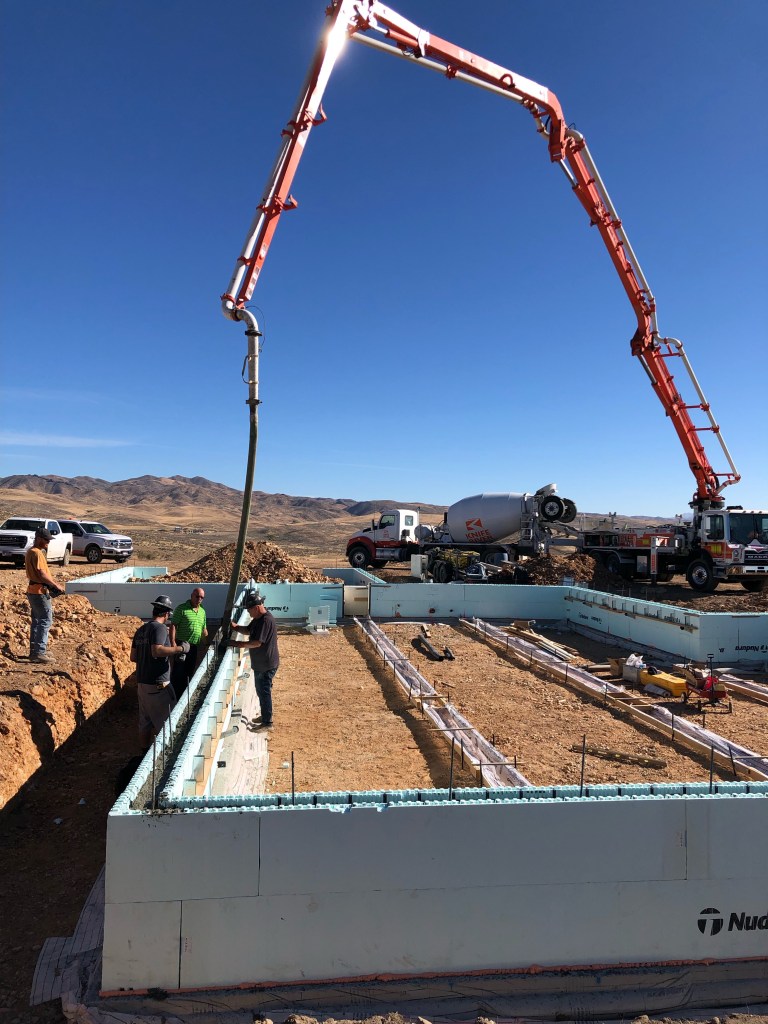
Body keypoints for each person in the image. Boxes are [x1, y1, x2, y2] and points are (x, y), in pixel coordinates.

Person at [130, 595, 190, 749]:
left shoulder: (141, 630)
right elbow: (157, 651)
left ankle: (144, 753)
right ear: (167, 614)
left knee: (145, 722)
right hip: (158, 686)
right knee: (169, 722)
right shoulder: (160, 628)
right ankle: (166, 753)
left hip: (142, 685)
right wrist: (180, 649)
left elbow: (133, 657)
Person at [229, 594, 279, 729]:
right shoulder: (258, 618)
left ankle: (267, 723)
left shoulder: (265, 621)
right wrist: (235, 627)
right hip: (262, 664)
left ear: (256, 608)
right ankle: (265, 715)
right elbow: (247, 630)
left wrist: (237, 644)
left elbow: (257, 643)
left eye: (249, 610)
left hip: (266, 665)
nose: (248, 613)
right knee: (261, 691)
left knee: (264, 691)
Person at [24, 528, 63, 663]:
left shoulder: (30, 551)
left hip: (32, 590)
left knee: (37, 620)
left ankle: (35, 651)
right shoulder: (37, 553)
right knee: (46, 620)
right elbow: (41, 574)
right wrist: (56, 585)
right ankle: (39, 652)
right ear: (39, 538)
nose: (48, 542)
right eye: (46, 540)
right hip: (39, 591)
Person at [169, 587, 208, 695]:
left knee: (189, 672)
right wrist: (173, 643)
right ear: (191, 596)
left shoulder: (202, 611)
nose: (199, 599)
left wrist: (207, 644)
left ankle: (185, 695)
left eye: (202, 597)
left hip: (194, 647)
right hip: (181, 645)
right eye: (197, 596)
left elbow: (204, 630)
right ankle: (175, 697)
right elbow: (173, 625)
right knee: (178, 673)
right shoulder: (182, 609)